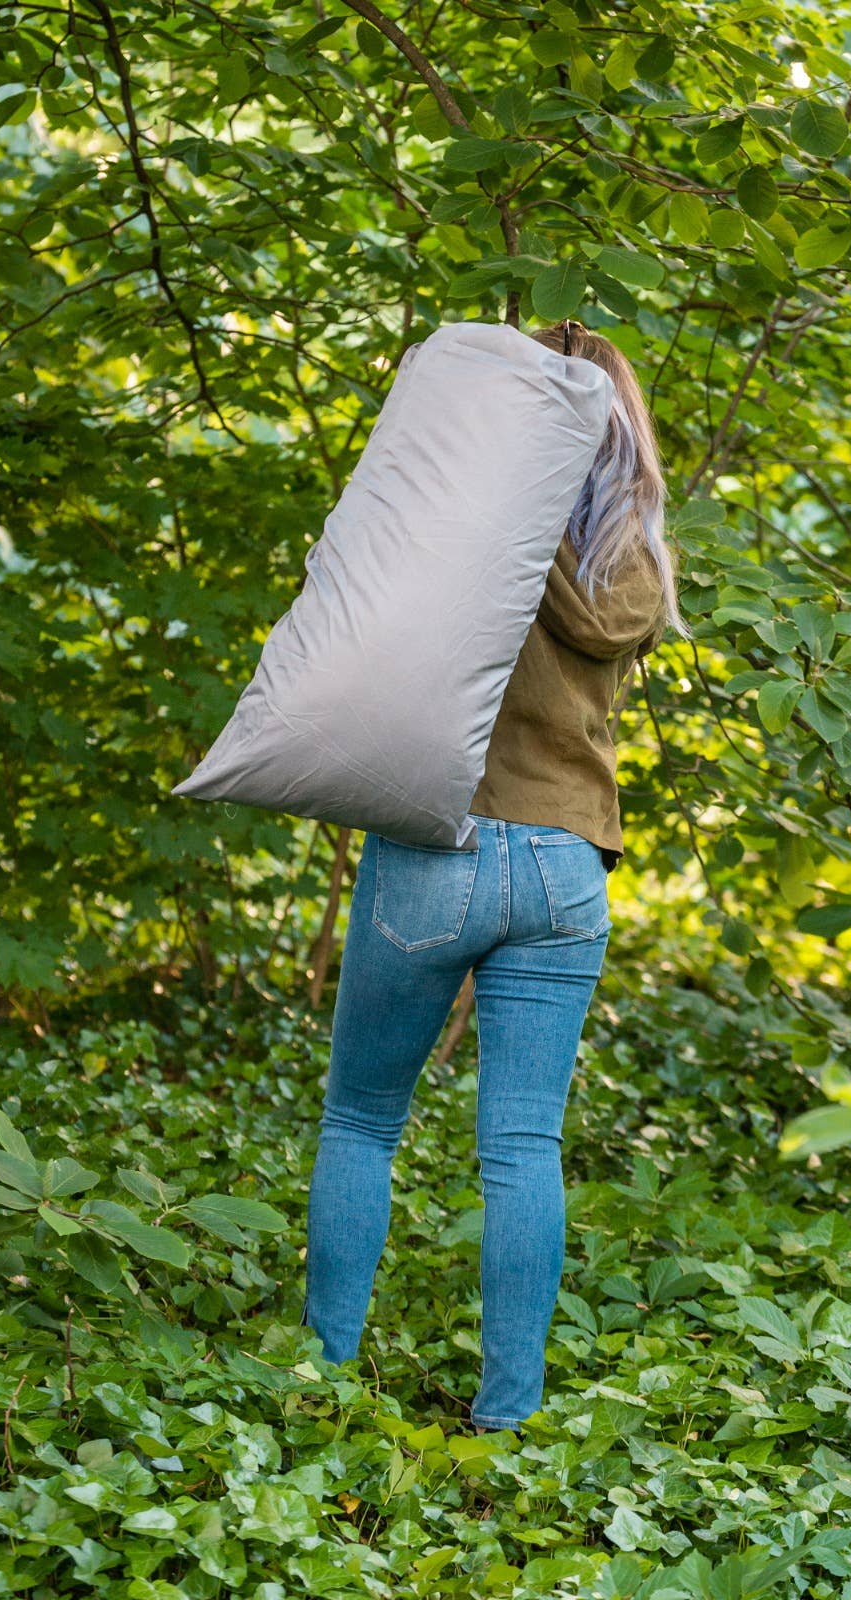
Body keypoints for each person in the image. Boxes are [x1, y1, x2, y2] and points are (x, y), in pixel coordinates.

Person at [301, 318, 691, 1434]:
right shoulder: (636, 561)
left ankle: (323, 1381)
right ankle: (506, 1419)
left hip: (442, 845)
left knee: (362, 1120)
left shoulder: (459, 523)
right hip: (567, 864)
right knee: (522, 1148)